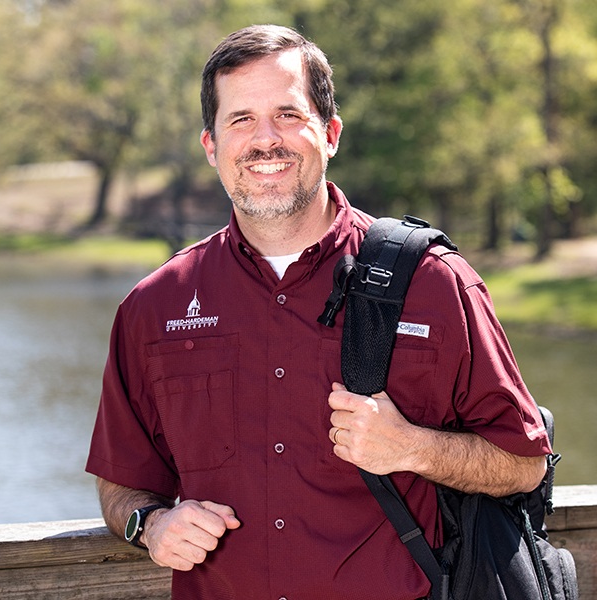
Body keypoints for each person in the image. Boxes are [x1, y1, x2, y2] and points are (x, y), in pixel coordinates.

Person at [86, 24, 551, 600]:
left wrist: (412, 447)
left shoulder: (434, 283)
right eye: (241, 120)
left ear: (329, 133)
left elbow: (524, 462)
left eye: (287, 115)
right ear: (211, 146)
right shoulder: (153, 308)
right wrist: (151, 524)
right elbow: (121, 482)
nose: (265, 141)